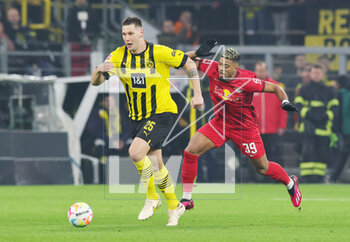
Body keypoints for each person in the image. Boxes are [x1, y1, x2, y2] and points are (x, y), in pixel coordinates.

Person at [90, 17, 204, 226]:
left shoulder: (158, 52)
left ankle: (151, 197)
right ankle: (174, 206)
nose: (127, 38)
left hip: (161, 113)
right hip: (138, 118)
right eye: (124, 34)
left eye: (131, 34)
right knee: (156, 164)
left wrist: (197, 95)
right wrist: (99, 70)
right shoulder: (117, 55)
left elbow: (189, 64)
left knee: (135, 153)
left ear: (141, 33)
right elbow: (95, 82)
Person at [180, 40, 302, 210]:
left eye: (226, 66)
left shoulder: (248, 81)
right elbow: (179, 60)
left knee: (262, 168)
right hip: (220, 123)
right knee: (190, 151)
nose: (221, 68)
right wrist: (196, 52)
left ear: (236, 67)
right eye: (221, 64)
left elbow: (275, 88)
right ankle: (187, 198)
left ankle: (290, 183)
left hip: (244, 129)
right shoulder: (212, 67)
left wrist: (285, 102)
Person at [294, 65, 339, 183]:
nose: (316, 75)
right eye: (314, 73)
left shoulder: (329, 90)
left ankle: (319, 178)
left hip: (323, 128)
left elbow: (334, 107)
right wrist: (308, 115)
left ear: (322, 74)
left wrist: (326, 116)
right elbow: (298, 105)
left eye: (318, 73)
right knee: (307, 154)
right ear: (310, 74)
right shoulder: (303, 89)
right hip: (308, 127)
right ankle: (306, 178)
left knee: (321, 154)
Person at [252, 61, 287, 164]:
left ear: (267, 71)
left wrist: (282, 125)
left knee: (273, 154)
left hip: (272, 128)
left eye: (262, 71)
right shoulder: (250, 86)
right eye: (258, 71)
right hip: (255, 129)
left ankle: (273, 178)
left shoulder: (276, 86)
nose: (260, 73)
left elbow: (283, 107)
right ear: (255, 71)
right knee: (255, 155)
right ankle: (254, 179)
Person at [330, 75, 350, 182]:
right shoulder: (344, 94)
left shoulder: (341, 94)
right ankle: (333, 177)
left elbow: (339, 114)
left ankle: (333, 177)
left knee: (343, 155)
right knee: (343, 154)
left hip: (345, 129)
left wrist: (335, 128)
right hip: (346, 129)